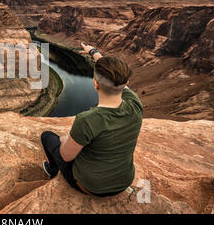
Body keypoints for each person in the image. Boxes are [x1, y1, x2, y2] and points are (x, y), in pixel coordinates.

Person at [41, 42, 143, 197]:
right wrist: (94, 52)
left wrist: (64, 140)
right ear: (126, 83)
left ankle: (53, 171)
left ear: (95, 84)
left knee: (48, 137)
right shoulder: (135, 104)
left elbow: (66, 156)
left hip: (91, 186)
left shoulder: (87, 120)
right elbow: (116, 76)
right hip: (124, 181)